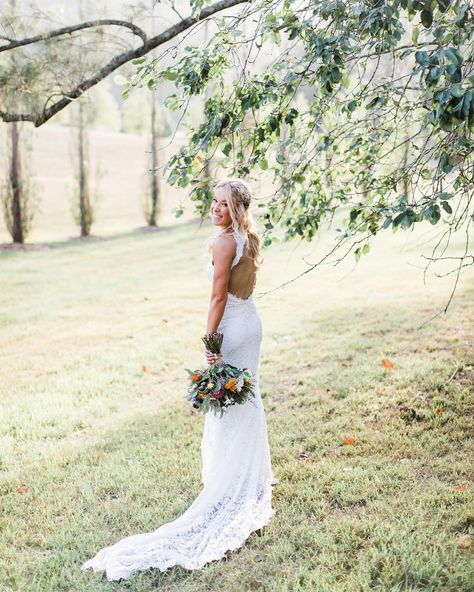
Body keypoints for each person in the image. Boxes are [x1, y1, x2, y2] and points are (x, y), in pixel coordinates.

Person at [81, 177, 276, 582]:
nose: (215, 208)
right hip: (252, 325)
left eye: (223, 204)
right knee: (246, 401)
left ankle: (230, 484)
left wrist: (210, 340)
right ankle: (248, 479)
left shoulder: (223, 243)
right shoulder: (250, 236)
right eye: (214, 201)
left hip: (232, 330)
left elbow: (219, 296)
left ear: (237, 207)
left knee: (228, 408)